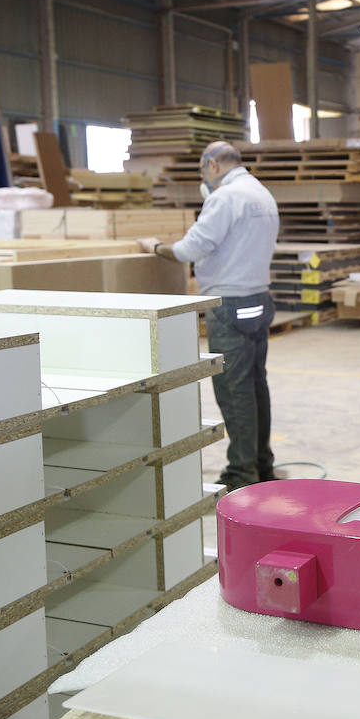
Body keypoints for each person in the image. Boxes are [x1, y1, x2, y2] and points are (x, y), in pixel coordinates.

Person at [139, 140, 280, 492]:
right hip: (258, 300)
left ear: (213, 165)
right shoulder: (261, 193)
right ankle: (262, 464)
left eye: (204, 170)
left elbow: (191, 248)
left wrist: (155, 247)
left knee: (235, 391)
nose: (205, 177)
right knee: (255, 386)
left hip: (230, 304)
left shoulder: (225, 198)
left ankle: (241, 474)